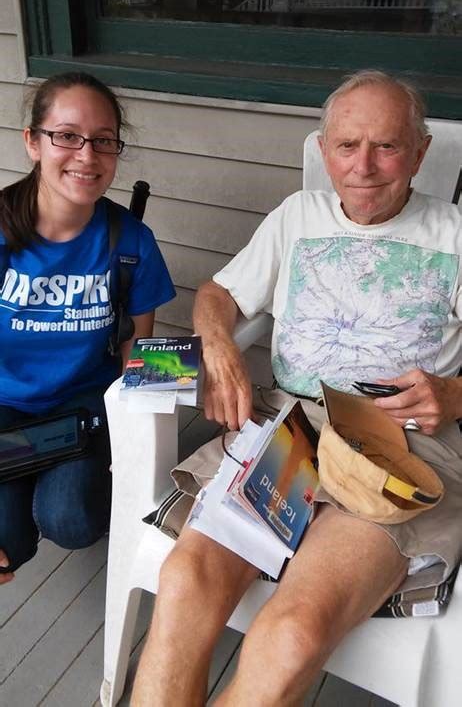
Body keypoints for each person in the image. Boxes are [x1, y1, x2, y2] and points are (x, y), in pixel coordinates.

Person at [131, 71, 462, 706]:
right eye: (347, 146)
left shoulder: (453, 233)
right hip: (291, 431)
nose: (363, 167)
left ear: (420, 153)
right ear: (323, 150)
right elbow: (219, 294)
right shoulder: (296, 216)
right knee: (187, 578)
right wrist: (222, 346)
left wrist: (457, 394)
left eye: (387, 146)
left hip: (401, 448)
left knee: (292, 630)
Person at [0, 72, 175, 586]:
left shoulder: (131, 242)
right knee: (6, 541)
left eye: (103, 141)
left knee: (73, 519)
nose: (86, 155)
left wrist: (140, 449)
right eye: (66, 135)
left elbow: (138, 349)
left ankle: (49, 478)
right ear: (33, 141)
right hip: (4, 409)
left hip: (83, 407)